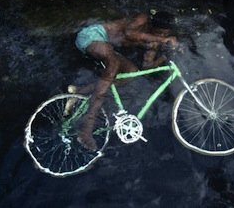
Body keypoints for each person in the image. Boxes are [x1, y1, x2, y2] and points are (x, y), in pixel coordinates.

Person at [67, 14, 177, 151]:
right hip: (92, 36)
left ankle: (78, 92)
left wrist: (164, 57)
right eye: (159, 32)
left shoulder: (154, 41)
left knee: (131, 72)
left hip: (106, 47)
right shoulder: (142, 19)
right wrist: (162, 39)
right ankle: (86, 129)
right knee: (113, 64)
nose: (160, 35)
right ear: (153, 25)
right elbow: (129, 33)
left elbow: (147, 66)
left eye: (164, 34)